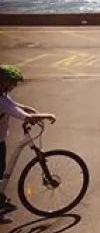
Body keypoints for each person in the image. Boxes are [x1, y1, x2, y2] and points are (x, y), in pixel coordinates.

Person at [0, 65, 56, 216]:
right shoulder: (1, 100)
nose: (13, 86)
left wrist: (30, 109)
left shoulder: (3, 97)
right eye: (12, 83)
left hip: (1, 140)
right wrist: (46, 115)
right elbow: (26, 117)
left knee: (1, 172)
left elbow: (15, 106)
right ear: (3, 82)